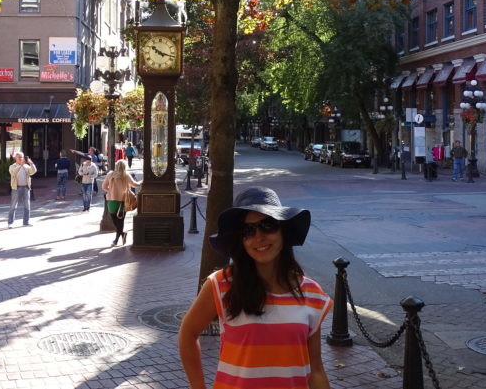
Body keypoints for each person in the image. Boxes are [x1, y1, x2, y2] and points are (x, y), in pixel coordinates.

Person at [178, 187, 332, 389]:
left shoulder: (311, 293)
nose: (258, 237)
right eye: (248, 231)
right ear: (241, 240)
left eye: (267, 225)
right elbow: (187, 334)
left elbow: (316, 369)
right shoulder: (221, 285)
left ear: (283, 230)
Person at [101, 159, 141, 246]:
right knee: (120, 220)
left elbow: (103, 186)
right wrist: (143, 181)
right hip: (123, 201)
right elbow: (135, 184)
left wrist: (110, 191)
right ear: (124, 167)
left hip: (111, 200)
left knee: (115, 220)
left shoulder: (110, 174)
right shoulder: (126, 175)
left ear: (116, 166)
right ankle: (121, 234)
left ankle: (117, 239)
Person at [7, 151, 37, 227]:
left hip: (26, 187)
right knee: (13, 205)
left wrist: (31, 163)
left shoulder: (26, 166)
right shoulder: (12, 166)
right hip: (16, 188)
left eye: (22, 157)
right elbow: (13, 172)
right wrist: (21, 165)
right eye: (19, 157)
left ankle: (26, 222)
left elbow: (33, 171)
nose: (21, 158)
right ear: (15, 158)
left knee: (27, 205)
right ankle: (10, 223)